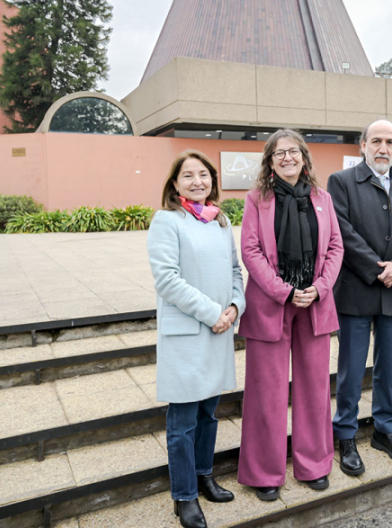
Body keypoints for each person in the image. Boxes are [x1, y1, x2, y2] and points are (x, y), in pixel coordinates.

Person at [237, 129, 344, 500]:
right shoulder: (256, 200)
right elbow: (250, 250)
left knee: (314, 389)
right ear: (269, 160)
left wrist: (320, 287)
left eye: (293, 151)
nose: (287, 158)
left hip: (314, 304)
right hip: (272, 304)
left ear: (304, 157)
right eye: (279, 153)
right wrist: (284, 291)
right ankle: (265, 471)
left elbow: (335, 246)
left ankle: (314, 464)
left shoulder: (322, 198)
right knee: (266, 391)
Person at [147, 150, 245, 528]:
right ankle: (184, 496)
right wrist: (212, 313)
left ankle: (204, 475)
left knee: (209, 413)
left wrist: (235, 307)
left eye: (203, 174)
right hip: (189, 332)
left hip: (220, 329)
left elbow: (236, 271)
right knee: (183, 420)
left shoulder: (219, 220)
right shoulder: (166, 221)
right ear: (175, 183)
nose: (197, 182)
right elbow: (167, 280)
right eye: (188, 176)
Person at [327, 119, 392, 475]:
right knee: (351, 370)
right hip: (356, 289)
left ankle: (385, 431)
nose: (383, 147)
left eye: (389, 141)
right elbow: (342, 231)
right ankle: (346, 435)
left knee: (388, 369)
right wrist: (376, 267)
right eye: (376, 141)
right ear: (363, 146)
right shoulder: (341, 183)